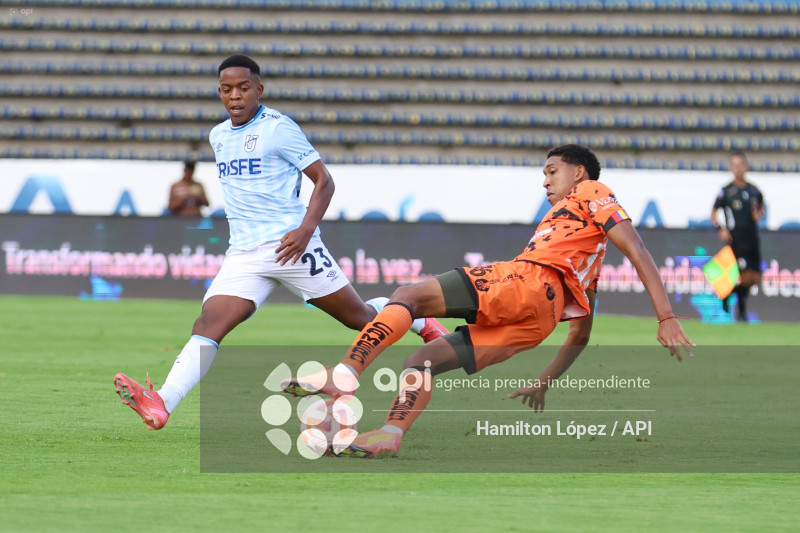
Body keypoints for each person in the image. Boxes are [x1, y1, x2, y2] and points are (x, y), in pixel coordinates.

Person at [284, 144, 696, 458]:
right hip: (537, 324)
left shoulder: (590, 190)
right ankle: (390, 435)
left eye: (552, 172)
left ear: (580, 172)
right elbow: (581, 329)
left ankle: (344, 373)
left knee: (408, 296)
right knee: (420, 362)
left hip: (527, 282)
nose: (546, 181)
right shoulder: (588, 255)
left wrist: (666, 315)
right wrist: (544, 381)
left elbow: (638, 247)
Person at [114, 54, 447, 430]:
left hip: (291, 246)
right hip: (244, 254)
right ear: (219, 93)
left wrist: (305, 231)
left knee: (362, 319)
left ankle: (418, 317)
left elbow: (324, 181)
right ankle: (162, 404)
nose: (235, 96)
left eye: (243, 88)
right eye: (227, 90)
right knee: (208, 323)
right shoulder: (218, 135)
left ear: (259, 89)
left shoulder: (279, 128)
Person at [710, 151, 765, 322]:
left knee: (754, 278)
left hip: (752, 237)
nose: (738, 169)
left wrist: (758, 213)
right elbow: (713, 213)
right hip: (736, 237)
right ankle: (740, 311)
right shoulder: (726, 191)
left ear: (746, 167)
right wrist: (721, 228)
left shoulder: (754, 190)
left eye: (741, 165)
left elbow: (760, 211)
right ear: (731, 168)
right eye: (735, 165)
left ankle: (727, 295)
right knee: (741, 274)